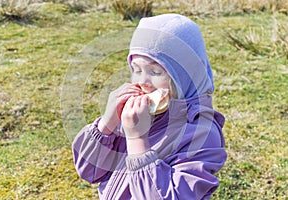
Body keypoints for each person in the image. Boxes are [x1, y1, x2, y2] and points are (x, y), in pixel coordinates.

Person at [72, 13, 227, 199]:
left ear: (186, 76)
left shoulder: (201, 133)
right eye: (136, 70)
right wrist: (106, 125)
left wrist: (137, 140)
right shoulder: (133, 115)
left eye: (155, 71)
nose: (143, 81)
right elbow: (90, 172)